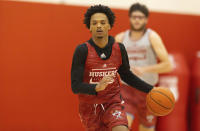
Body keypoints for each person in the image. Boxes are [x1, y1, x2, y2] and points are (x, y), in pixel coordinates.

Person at [71, 4, 157, 131]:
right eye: (94, 23)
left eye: (102, 22)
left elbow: (127, 76)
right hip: (90, 107)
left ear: (109, 25)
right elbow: (75, 86)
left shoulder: (119, 48)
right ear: (89, 26)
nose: (99, 25)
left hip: (113, 103)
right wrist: (96, 87)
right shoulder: (82, 50)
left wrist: (151, 89)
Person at [115, 3, 172, 131]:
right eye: (134, 17)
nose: (137, 20)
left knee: (146, 129)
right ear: (129, 18)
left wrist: (144, 70)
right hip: (126, 90)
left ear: (146, 19)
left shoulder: (152, 37)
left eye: (140, 17)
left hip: (148, 92)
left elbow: (168, 65)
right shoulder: (120, 38)